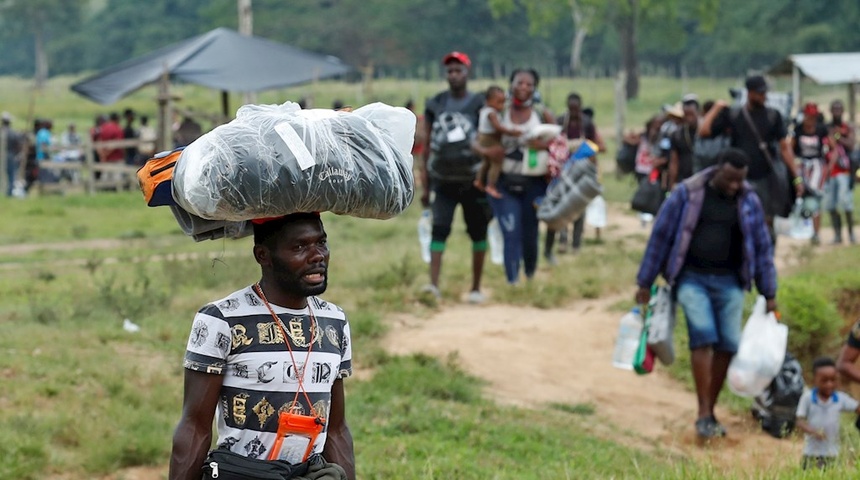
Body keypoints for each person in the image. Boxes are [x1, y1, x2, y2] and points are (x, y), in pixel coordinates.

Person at [169, 213, 355, 480]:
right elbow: (195, 428)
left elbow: (336, 429)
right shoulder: (222, 319)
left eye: (321, 243)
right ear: (263, 255)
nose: (318, 256)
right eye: (299, 247)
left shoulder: (334, 321)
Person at [635, 148, 777, 439]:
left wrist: (769, 291)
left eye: (740, 180)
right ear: (717, 170)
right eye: (730, 179)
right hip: (691, 278)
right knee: (703, 335)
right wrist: (644, 281)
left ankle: (710, 410)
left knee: (728, 343)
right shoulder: (688, 193)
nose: (734, 186)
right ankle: (702, 413)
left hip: (731, 282)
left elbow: (762, 248)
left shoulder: (749, 199)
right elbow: (660, 236)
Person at [420, 51, 490, 302]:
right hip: (443, 181)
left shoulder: (480, 104)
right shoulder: (436, 104)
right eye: (450, 71)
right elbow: (426, 145)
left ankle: (476, 288)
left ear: (467, 72)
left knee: (478, 232)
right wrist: (425, 186)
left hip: (474, 182)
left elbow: (490, 139)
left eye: (458, 70)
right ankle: (433, 285)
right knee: (439, 230)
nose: (454, 75)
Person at [699, 75, 804, 241]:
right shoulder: (734, 115)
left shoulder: (773, 116)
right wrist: (716, 108)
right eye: (760, 93)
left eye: (765, 93)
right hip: (738, 179)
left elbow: (785, 149)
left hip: (766, 178)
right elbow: (704, 132)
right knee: (738, 221)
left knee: (766, 222)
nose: (764, 96)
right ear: (750, 93)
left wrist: (797, 178)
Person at [476, 68, 554, 284]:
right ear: (511, 84)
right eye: (520, 82)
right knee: (510, 231)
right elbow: (477, 140)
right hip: (504, 182)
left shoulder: (542, 113)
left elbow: (559, 144)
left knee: (530, 233)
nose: (524, 87)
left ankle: (529, 275)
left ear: (535, 88)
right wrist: (486, 152)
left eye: (529, 84)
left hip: (535, 184)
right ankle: (512, 281)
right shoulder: (497, 112)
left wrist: (543, 145)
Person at [545, 92, 604, 260]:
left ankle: (576, 243)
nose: (574, 112)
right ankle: (563, 240)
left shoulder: (587, 123)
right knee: (563, 203)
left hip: (583, 171)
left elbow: (595, 146)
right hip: (564, 169)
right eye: (571, 109)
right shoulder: (560, 121)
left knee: (579, 205)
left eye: (576, 109)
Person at [795, 357, 860, 470]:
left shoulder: (840, 398)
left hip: (832, 454)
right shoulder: (808, 398)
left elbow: (857, 407)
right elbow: (799, 421)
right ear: (815, 379)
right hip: (811, 453)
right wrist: (813, 432)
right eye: (824, 380)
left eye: (833, 380)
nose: (829, 384)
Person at [474, 85, 523, 199]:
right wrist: (512, 132)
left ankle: (479, 180)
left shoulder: (485, 110)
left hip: (483, 137)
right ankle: (491, 185)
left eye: (503, 102)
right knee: (496, 161)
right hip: (490, 139)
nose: (501, 106)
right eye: (499, 102)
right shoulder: (491, 113)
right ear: (488, 101)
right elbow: (498, 128)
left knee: (486, 162)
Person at [792, 102, 830, 245]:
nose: (811, 119)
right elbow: (790, 148)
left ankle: (815, 233)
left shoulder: (821, 130)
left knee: (815, 201)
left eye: (813, 117)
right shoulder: (798, 129)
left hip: (817, 170)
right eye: (809, 116)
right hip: (801, 168)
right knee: (800, 196)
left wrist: (828, 167)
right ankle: (799, 228)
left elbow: (833, 150)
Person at [825, 99, 856, 244]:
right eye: (834, 109)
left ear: (842, 111)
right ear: (830, 111)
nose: (837, 112)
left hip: (844, 171)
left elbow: (851, 144)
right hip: (830, 172)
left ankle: (851, 234)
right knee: (830, 205)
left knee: (846, 204)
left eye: (839, 109)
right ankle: (837, 235)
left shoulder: (847, 128)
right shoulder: (826, 128)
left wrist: (837, 136)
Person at [667, 97, 700, 190]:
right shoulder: (677, 134)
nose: (689, 118)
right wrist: (672, 183)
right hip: (684, 179)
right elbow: (674, 161)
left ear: (698, 112)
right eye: (686, 115)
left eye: (691, 114)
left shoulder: (706, 132)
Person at [2, 112, 22, 196]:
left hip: (4, 155)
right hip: (10, 155)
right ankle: (9, 192)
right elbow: (18, 145)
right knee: (11, 174)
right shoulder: (13, 133)